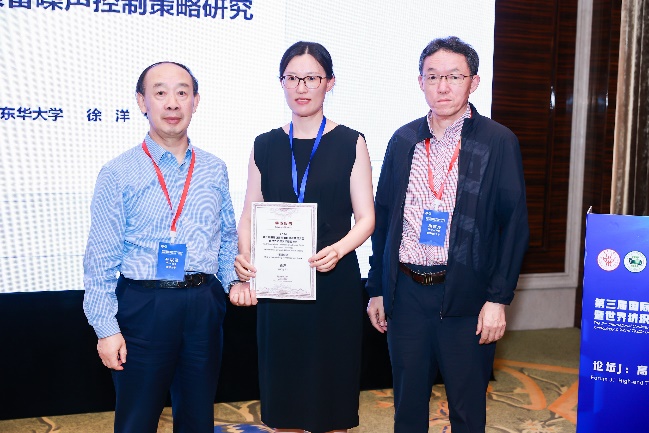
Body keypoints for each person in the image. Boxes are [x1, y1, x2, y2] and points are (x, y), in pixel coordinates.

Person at [365, 36, 529, 433]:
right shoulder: (403, 140)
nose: (442, 86)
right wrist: (377, 288)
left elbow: (514, 225)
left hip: (466, 296)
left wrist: (498, 298)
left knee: (467, 410)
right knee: (407, 408)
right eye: (433, 76)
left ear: (474, 82)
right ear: (420, 81)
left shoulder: (497, 141)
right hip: (406, 294)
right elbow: (383, 218)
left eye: (454, 76)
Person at [83, 61, 239, 433]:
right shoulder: (118, 172)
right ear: (142, 102)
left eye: (182, 92)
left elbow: (227, 236)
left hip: (202, 304)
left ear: (195, 101)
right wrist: (105, 328)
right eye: (160, 92)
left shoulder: (214, 168)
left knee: (198, 418)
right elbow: (100, 258)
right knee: (136, 420)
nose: (172, 103)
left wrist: (231, 283)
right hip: (144, 306)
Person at [229, 41, 375, 433]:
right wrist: (245, 256)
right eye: (292, 78)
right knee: (285, 403)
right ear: (282, 82)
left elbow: (366, 218)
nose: (302, 87)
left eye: (311, 78)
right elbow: (249, 213)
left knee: (332, 403)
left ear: (329, 82)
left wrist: (338, 250)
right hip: (279, 286)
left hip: (333, 283)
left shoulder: (351, 142)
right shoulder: (264, 144)